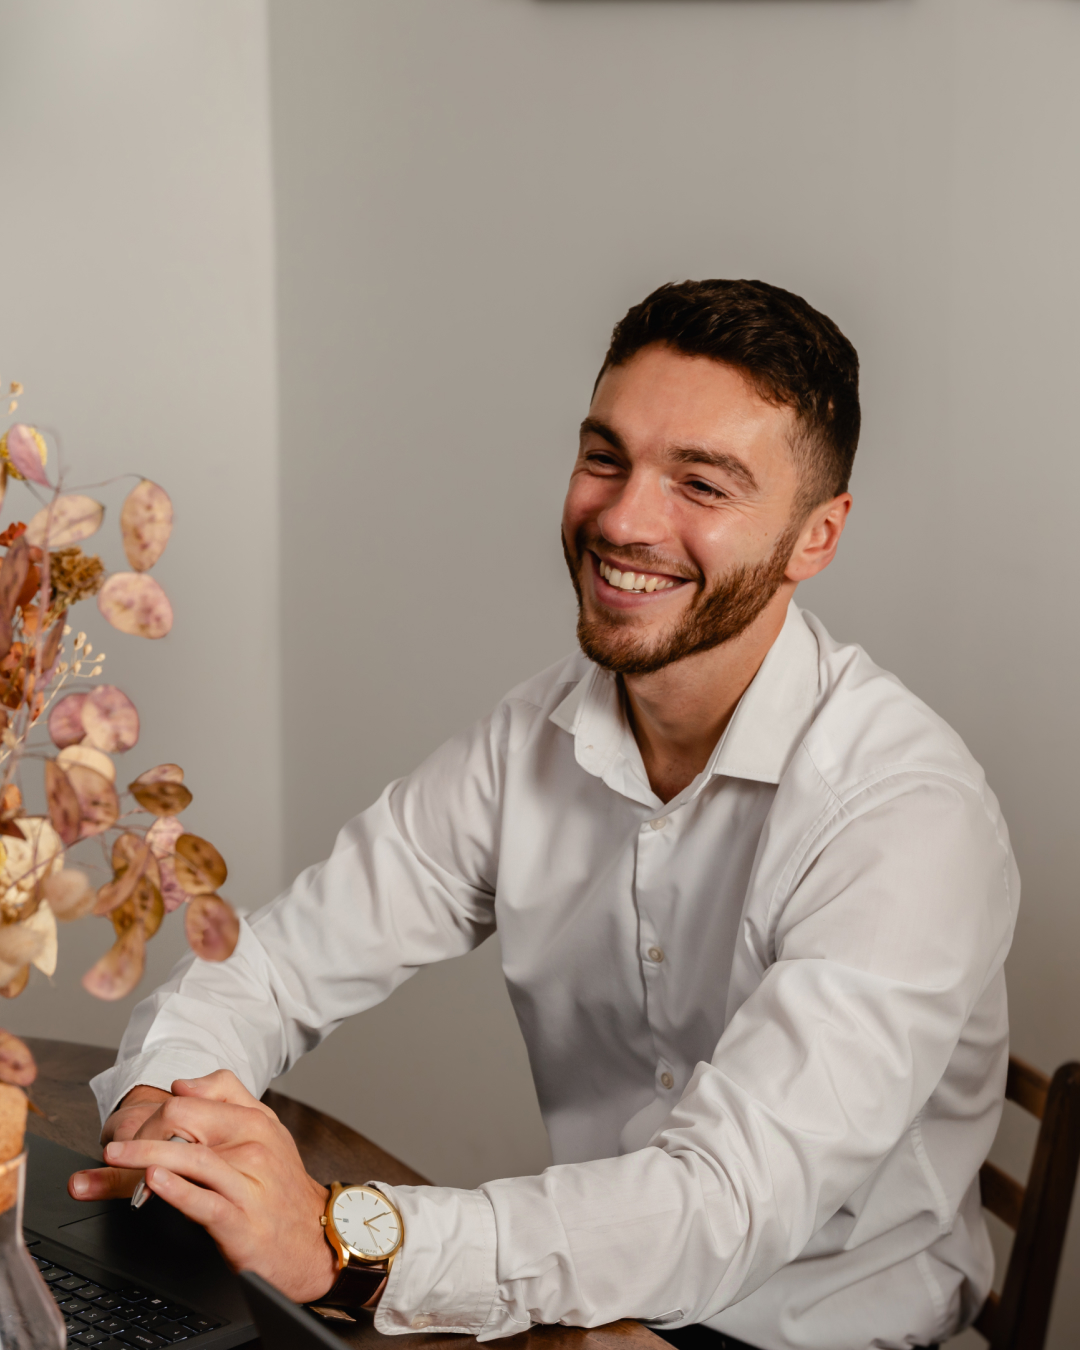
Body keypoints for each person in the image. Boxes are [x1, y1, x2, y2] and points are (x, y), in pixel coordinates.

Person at [70, 280, 1017, 1350]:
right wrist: (168, 1111)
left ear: (816, 536)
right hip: (588, 1301)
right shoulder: (535, 734)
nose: (622, 518)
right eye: (606, 456)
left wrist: (347, 1242)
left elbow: (726, 1203)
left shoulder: (905, 817)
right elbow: (277, 964)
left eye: (700, 483)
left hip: (819, 1331)